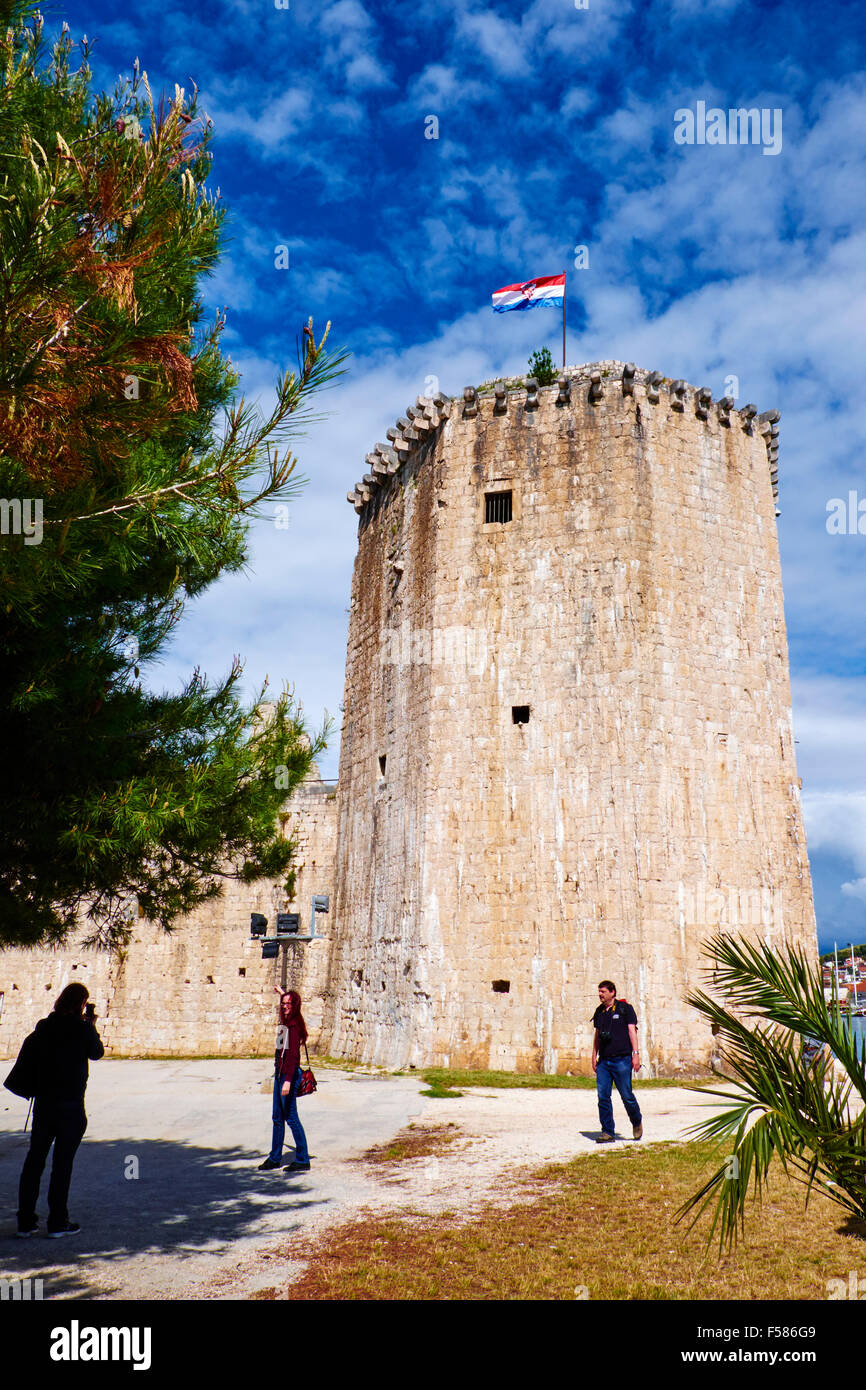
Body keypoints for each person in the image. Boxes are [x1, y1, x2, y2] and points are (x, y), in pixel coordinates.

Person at [16, 982, 104, 1237]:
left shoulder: (45, 1027)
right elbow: (96, 1053)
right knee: (62, 1165)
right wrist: (91, 1026)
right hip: (71, 1104)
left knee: (34, 1161)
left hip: (44, 1103)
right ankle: (57, 1221)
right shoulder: (81, 1028)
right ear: (81, 1004)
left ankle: (26, 1220)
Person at [258, 988, 310, 1174]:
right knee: (277, 1118)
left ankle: (303, 1159)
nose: (285, 1007)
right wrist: (282, 993)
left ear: (295, 1006)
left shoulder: (294, 1026)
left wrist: (287, 1080)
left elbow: (292, 1057)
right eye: (283, 1004)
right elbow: (280, 1052)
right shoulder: (284, 1024)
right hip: (280, 1075)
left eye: (289, 1004)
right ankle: (274, 1158)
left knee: (291, 1118)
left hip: (288, 1076)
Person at [591, 979, 643, 1143]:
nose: (600, 994)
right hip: (604, 1062)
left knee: (626, 1095)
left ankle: (636, 1121)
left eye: (603, 992)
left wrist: (636, 1054)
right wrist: (594, 1055)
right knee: (603, 1097)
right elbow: (597, 1035)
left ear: (612, 992)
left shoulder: (624, 1009)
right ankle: (607, 1131)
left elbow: (632, 1031)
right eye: (599, 991)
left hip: (622, 1059)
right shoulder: (599, 1011)